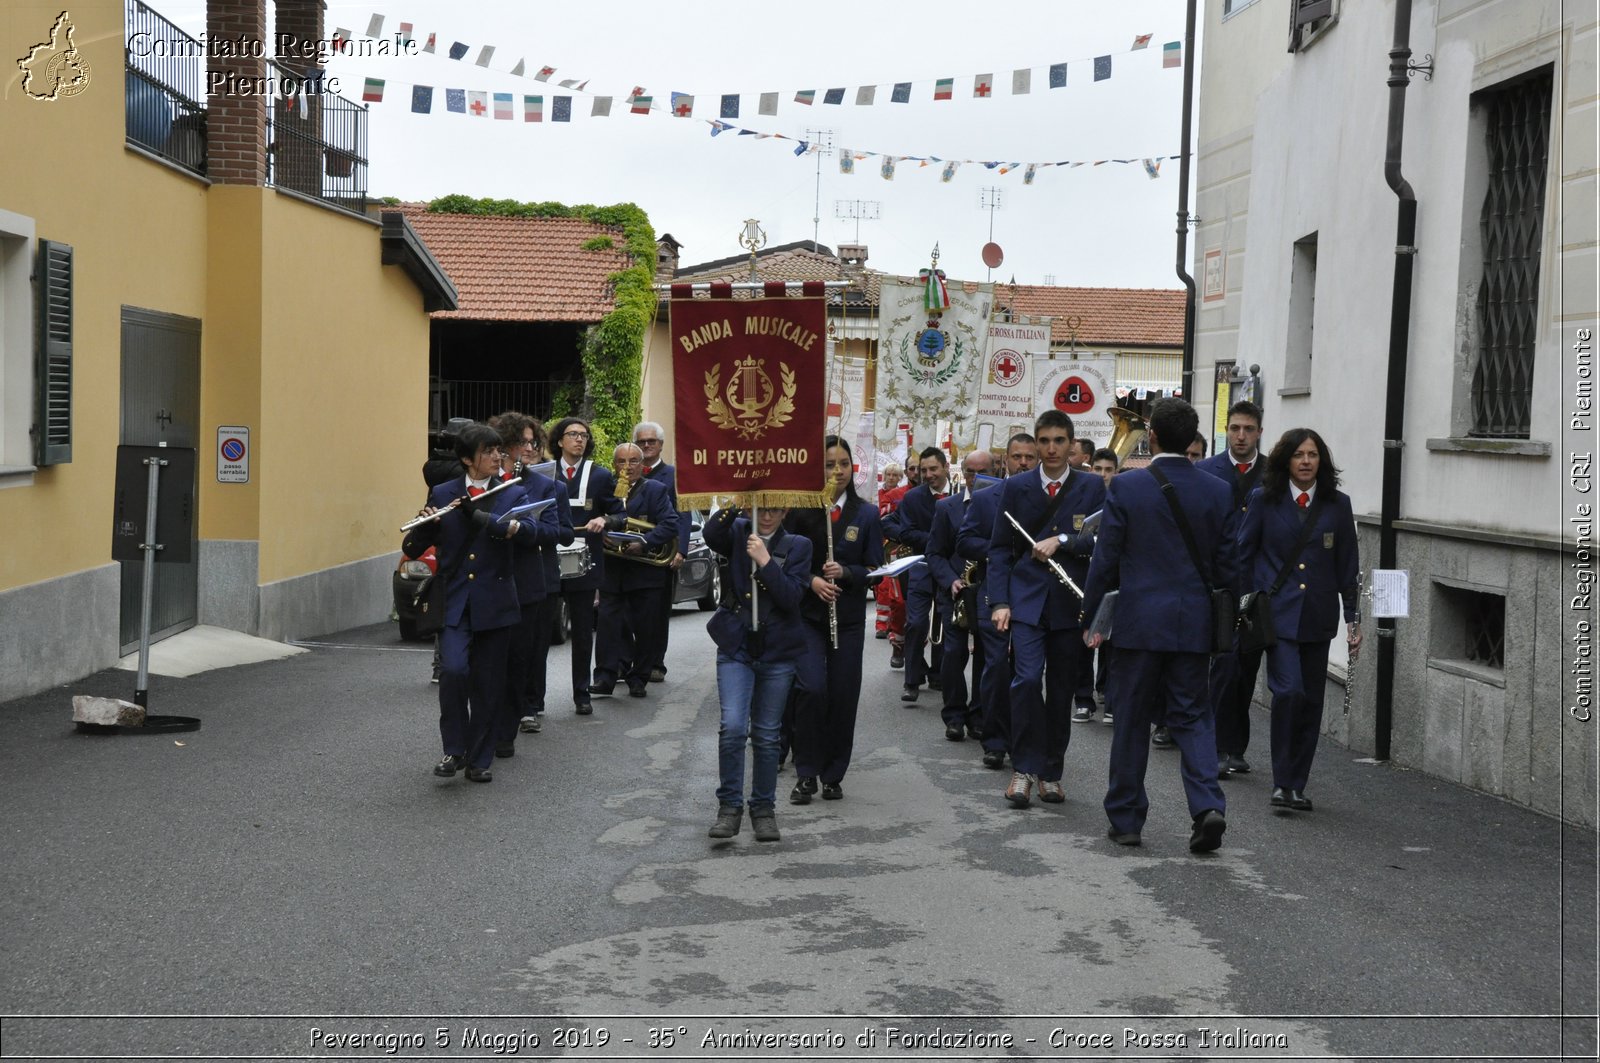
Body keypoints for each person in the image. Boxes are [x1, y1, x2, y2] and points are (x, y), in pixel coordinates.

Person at [1082, 398, 1237, 852]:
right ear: (1192, 440)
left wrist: (1091, 616)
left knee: (1130, 719)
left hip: (1138, 622)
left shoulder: (1127, 488)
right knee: (1193, 716)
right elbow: (1229, 567)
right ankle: (1208, 805)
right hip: (1192, 623)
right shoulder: (1218, 491)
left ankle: (1127, 819)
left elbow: (1105, 559)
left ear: (1151, 437)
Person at [1236, 427, 1361, 813]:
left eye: (1312, 455)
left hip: (1318, 617)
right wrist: (1245, 603)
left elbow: (1347, 565)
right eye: (1298, 455)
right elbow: (1244, 555)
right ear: (1285, 461)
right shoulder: (1264, 499)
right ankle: (1280, 780)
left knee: (1310, 702)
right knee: (1288, 692)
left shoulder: (1337, 505)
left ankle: (1296, 785)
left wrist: (1353, 618)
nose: (1306, 462)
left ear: (1321, 461)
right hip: (1277, 617)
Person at [403, 423, 535, 784]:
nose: (497, 457)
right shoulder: (444, 490)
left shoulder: (513, 492)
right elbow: (412, 548)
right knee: (454, 672)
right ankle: (453, 750)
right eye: (488, 451)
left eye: (499, 451)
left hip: (495, 600)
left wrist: (478, 517)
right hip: (456, 600)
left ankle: (480, 758)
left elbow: (530, 534)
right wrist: (426, 525)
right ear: (466, 459)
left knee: (488, 683)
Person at [987, 410, 1105, 809]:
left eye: (1059, 440)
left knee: (1059, 691)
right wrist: (1000, 602)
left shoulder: (1092, 486)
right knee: (1024, 680)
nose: (1051, 448)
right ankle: (1022, 769)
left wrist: (1063, 540)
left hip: (1070, 603)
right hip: (1025, 601)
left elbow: (1102, 543)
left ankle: (1051, 772)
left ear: (1072, 444)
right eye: (1044, 440)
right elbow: (1000, 549)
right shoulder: (1016, 487)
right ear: (1035, 444)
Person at [702, 504, 813, 842]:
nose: (767, 517)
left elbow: (791, 597)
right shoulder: (736, 530)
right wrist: (738, 500)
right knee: (733, 727)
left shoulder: (798, 545)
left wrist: (765, 561)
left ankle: (763, 809)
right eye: (761, 509)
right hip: (736, 644)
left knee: (766, 735)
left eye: (774, 511)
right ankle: (729, 808)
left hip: (777, 648)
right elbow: (710, 534)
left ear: (785, 512)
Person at [784, 437, 884, 804]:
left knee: (843, 695)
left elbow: (875, 570)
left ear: (852, 469)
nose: (837, 471)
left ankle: (833, 773)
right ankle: (806, 772)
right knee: (811, 690)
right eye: (829, 464)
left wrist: (847, 572)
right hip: (807, 616)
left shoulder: (868, 514)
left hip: (849, 619)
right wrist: (812, 580)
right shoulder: (800, 508)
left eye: (843, 463)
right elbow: (785, 560)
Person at [488, 413, 570, 753]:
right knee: (493, 659)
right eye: (522, 442)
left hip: (529, 577)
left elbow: (561, 532)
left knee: (525, 655)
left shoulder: (546, 485)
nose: (530, 448)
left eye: (533, 442)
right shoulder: (488, 479)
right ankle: (491, 720)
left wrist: (525, 528)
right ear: (504, 446)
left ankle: (520, 714)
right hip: (492, 578)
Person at [958, 433, 1036, 771]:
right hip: (994, 591)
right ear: (1006, 460)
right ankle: (994, 742)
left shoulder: (1043, 498)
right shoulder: (987, 497)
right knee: (996, 667)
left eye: (1028, 458)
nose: (1023, 463)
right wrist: (999, 549)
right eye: (1017, 456)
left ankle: (1024, 740)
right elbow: (965, 540)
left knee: (1028, 672)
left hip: (1033, 594)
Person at [1196, 400, 1267, 775]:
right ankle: (1217, 744)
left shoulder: (1273, 473)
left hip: (1257, 587)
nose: (1241, 436)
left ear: (1259, 432)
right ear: (1227, 429)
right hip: (1217, 584)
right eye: (1235, 429)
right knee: (1222, 665)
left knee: (1246, 668)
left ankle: (1235, 746)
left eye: (1248, 430)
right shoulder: (1207, 471)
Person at [593, 443, 680, 699]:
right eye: (621, 461)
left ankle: (639, 677)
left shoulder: (655, 489)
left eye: (633, 461)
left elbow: (671, 523)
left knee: (645, 627)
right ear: (614, 465)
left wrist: (644, 542)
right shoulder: (606, 488)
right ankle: (605, 677)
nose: (627, 467)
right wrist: (604, 537)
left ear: (642, 466)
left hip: (645, 573)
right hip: (613, 571)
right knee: (608, 626)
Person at [551, 416, 618, 715]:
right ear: (559, 441)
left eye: (584, 435)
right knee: (541, 632)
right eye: (573, 434)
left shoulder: (601, 476)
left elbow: (620, 513)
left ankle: (582, 695)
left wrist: (604, 519)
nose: (579, 439)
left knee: (581, 633)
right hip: (548, 561)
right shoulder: (543, 473)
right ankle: (532, 701)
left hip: (586, 562)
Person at [926, 449, 994, 741]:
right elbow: (934, 553)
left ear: (996, 471)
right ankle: (954, 714)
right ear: (961, 473)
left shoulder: (1001, 505)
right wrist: (950, 580)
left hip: (989, 592)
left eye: (982, 471)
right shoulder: (947, 508)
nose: (975, 478)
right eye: (970, 472)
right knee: (952, 656)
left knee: (984, 657)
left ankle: (978, 715)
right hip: (955, 592)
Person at [884, 446, 951, 703]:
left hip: (949, 568)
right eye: (923, 470)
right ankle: (911, 681)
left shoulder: (960, 494)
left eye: (933, 469)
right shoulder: (913, 498)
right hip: (921, 567)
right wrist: (937, 541)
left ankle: (938, 674)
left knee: (946, 622)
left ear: (945, 467)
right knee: (916, 623)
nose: (928, 474)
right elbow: (907, 531)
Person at [634, 420, 689, 684]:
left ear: (661, 445)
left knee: (657, 613)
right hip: (631, 554)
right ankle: (629, 663)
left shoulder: (674, 476)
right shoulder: (626, 473)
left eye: (651, 441)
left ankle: (656, 663)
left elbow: (684, 516)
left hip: (663, 554)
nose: (646, 446)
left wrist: (682, 551)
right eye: (642, 441)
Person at [1085, 448, 1121, 722]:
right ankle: (1084, 698)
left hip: (1113, 575)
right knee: (1084, 635)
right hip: (1085, 573)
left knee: (1112, 638)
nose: (1103, 475)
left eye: (1109, 470)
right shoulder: (1083, 497)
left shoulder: (1122, 498)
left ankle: (1109, 694)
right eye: (1098, 469)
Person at [874, 462, 907, 642]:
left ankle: (893, 625)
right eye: (889, 475)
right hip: (881, 543)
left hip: (896, 544)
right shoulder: (877, 494)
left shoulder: (902, 494)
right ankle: (881, 625)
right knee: (883, 586)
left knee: (894, 588)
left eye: (895, 475)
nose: (892, 478)